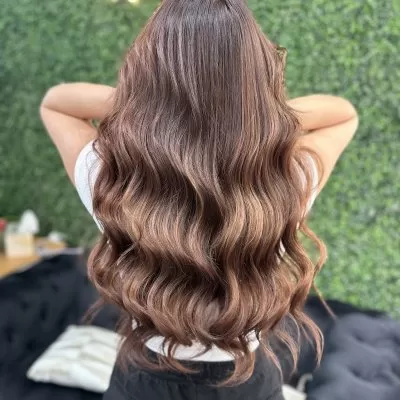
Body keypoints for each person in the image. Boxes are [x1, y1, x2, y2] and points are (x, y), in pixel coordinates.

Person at [39, 1, 359, 399]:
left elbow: (57, 103)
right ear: (256, 71)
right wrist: (255, 112)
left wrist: (148, 106)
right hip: (246, 382)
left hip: (142, 383)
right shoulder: (287, 178)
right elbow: (342, 114)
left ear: (146, 69)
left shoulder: (111, 175)